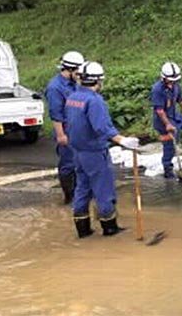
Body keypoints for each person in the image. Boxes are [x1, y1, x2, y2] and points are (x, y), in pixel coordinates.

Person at [65, 62, 139, 238]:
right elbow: (102, 128)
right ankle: (109, 228)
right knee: (103, 189)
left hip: (77, 151)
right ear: (98, 80)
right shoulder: (94, 101)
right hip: (94, 152)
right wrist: (122, 140)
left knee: (82, 188)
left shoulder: (73, 98)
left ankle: (83, 230)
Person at [45, 50, 85, 204]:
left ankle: (80, 193)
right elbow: (56, 114)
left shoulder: (75, 83)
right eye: (78, 72)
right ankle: (69, 196)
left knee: (80, 162)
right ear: (69, 70)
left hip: (78, 128)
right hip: (66, 129)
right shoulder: (55, 88)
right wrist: (61, 135)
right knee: (68, 163)